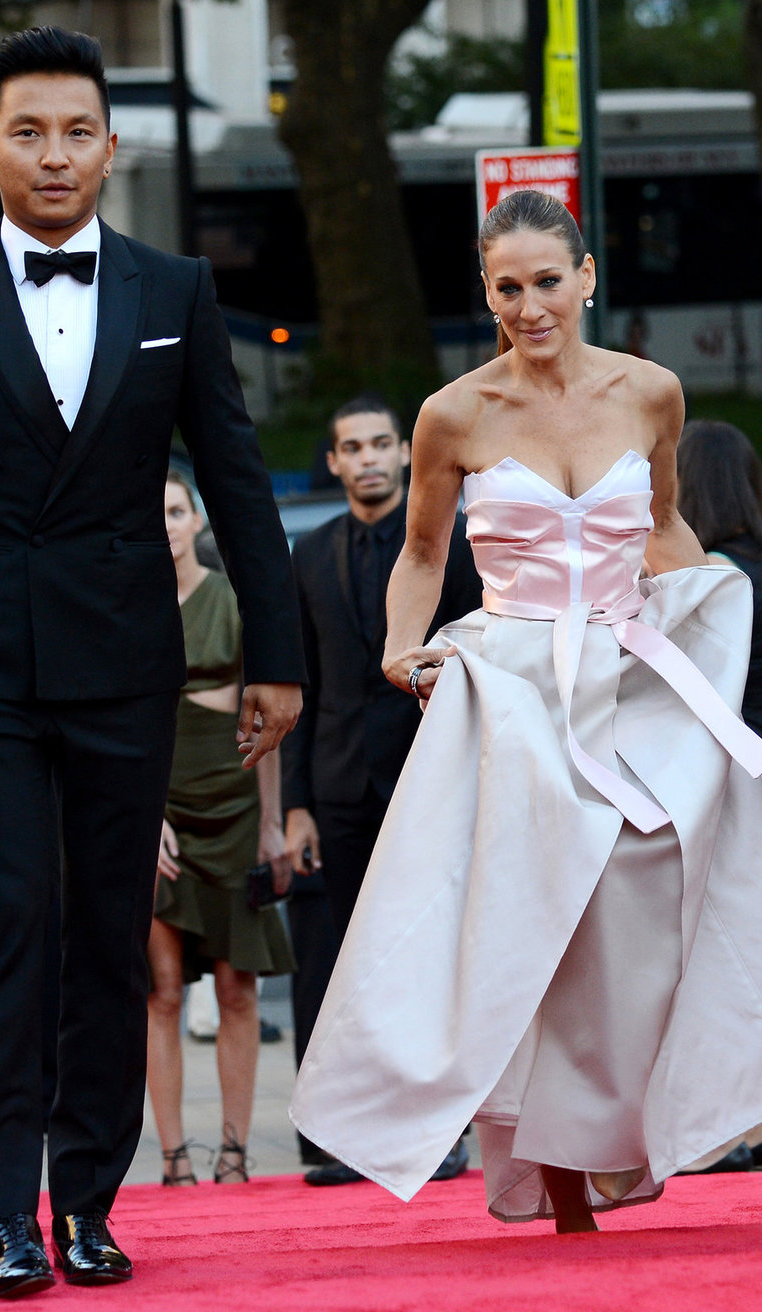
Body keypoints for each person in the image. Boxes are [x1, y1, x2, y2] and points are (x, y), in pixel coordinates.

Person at [290, 189, 762, 1233]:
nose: (529, 303)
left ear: (588, 277)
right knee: (528, 923)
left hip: (629, 672)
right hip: (511, 686)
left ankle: (624, 1127)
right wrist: (396, 647)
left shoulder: (652, 393)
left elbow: (668, 526)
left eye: (548, 280)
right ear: (489, 291)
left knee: (638, 905)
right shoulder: (453, 413)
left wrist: (732, 613)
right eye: (508, 286)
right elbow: (421, 553)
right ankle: (555, 1183)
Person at [0, 27, 304, 1297]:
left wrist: (274, 652)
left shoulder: (176, 290)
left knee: (111, 935)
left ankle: (90, 1205)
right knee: (11, 930)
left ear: (112, 146)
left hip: (125, 665)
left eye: (77, 131)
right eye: (28, 132)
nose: (54, 154)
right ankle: (2, 1212)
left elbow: (235, 481)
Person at [281, 393, 483, 1188]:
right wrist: (294, 802)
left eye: (378, 444)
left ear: (404, 453)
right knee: (332, 966)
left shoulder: (457, 550)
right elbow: (300, 682)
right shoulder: (310, 554)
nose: (365, 458)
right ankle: (334, 1138)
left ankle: (435, 1134)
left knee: (429, 961)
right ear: (331, 462)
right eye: (349, 447)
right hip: (335, 790)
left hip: (430, 782)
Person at [146, 471, 297, 1188]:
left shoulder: (234, 599)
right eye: (153, 512)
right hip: (152, 807)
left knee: (239, 986)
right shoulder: (120, 603)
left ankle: (235, 1153)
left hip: (236, 803)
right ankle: (174, 1157)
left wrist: (272, 824)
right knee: (162, 989)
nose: (166, 524)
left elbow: (266, 723)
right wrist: (141, 821)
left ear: (194, 517)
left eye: (175, 510)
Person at [673, 418, 762, 1174]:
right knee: (750, 945)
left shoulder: (711, 575)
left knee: (707, 954)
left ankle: (719, 1133)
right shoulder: (760, 567)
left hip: (716, 769)